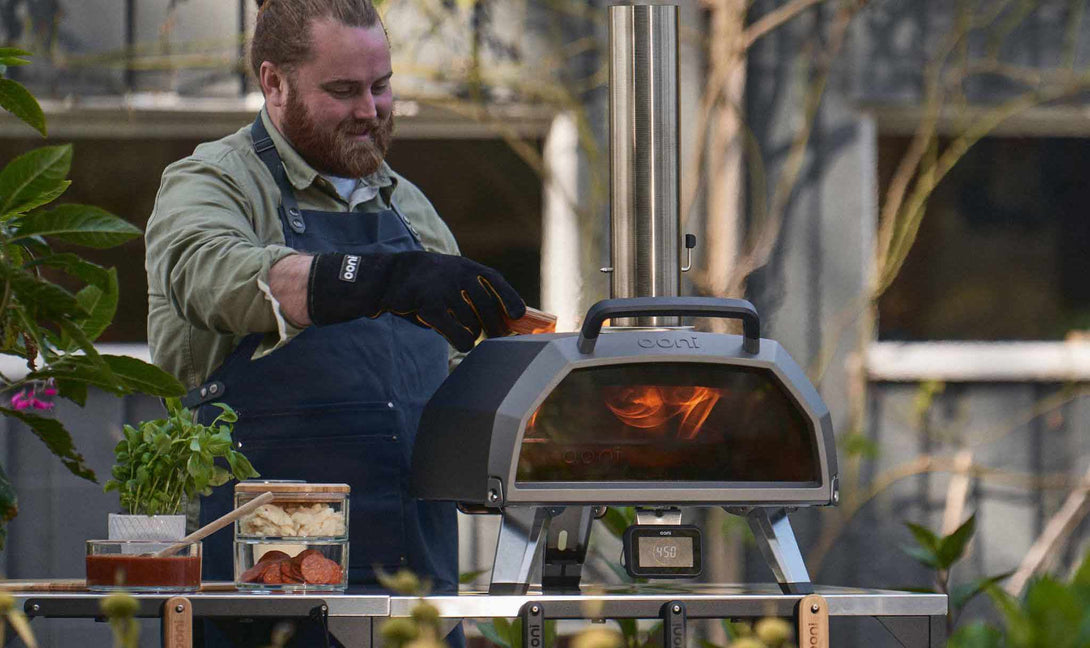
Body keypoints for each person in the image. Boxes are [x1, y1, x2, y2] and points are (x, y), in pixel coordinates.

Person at [145, 0, 525, 644]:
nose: (369, 110)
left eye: (381, 87)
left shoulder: (412, 211)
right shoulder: (214, 182)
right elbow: (207, 271)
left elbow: (464, 393)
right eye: (343, 90)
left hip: (415, 607)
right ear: (274, 83)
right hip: (256, 603)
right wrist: (374, 278)